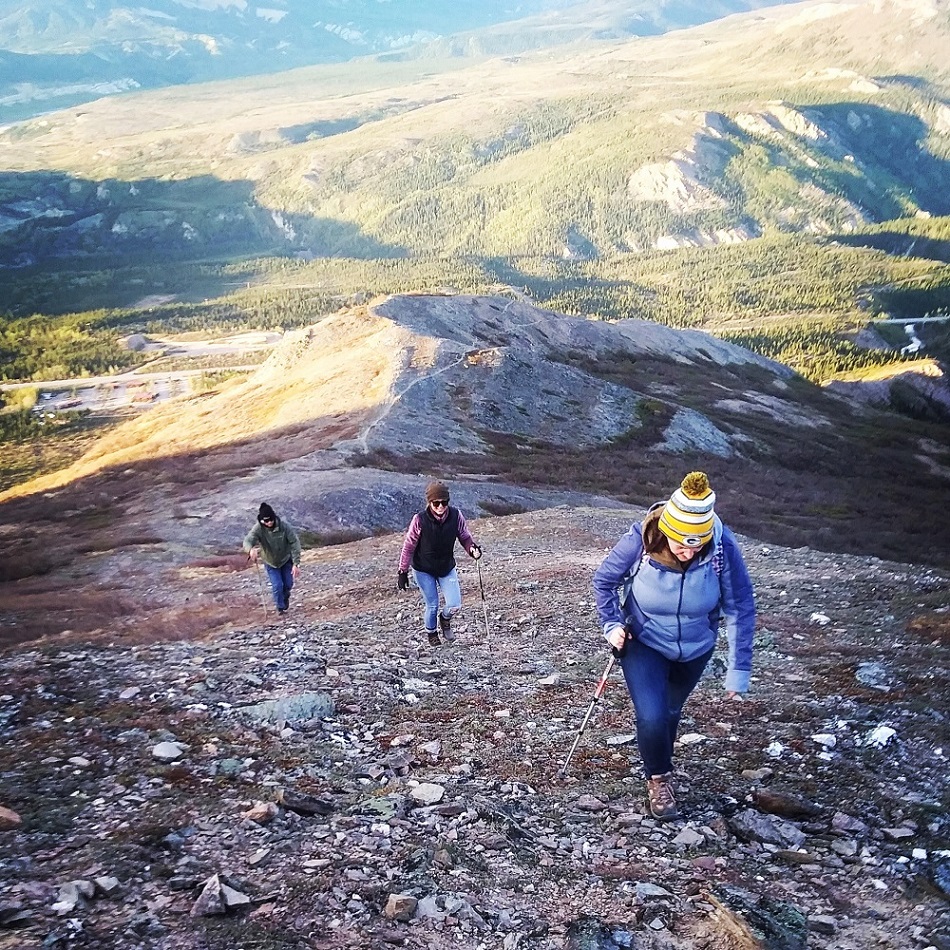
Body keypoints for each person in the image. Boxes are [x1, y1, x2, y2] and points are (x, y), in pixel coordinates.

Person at [592, 472, 755, 821]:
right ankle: (659, 778)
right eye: (682, 544)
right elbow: (604, 582)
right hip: (644, 641)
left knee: (669, 713)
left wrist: (738, 671)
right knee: (651, 715)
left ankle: (659, 758)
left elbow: (740, 605)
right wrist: (612, 624)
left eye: (697, 544)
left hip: (696, 648)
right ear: (666, 531)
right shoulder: (641, 539)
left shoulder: (721, 547)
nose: (689, 551)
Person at [397, 480, 482, 646]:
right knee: (433, 605)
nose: (441, 506)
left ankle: (445, 619)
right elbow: (408, 546)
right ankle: (432, 633)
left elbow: (464, 537)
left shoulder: (456, 516)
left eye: (444, 502)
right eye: (436, 503)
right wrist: (402, 571)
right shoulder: (419, 520)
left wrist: (472, 549)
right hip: (423, 569)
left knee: (455, 604)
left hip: (446, 566)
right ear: (429, 502)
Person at [243, 502, 301, 615]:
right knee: (277, 585)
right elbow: (248, 540)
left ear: (274, 517)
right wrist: (250, 549)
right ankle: (280, 608)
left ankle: (285, 597)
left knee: (288, 584)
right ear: (261, 520)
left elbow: (295, 543)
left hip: (285, 560)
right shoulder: (258, 529)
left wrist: (296, 563)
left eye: (271, 520)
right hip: (270, 562)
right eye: (266, 521)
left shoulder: (284, 526)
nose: (269, 523)